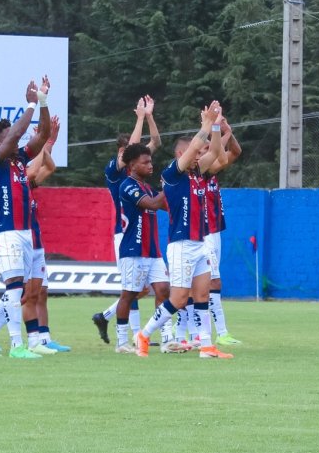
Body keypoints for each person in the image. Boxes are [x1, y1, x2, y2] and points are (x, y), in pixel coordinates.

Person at [133, 102, 233, 359]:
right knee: (178, 300)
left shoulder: (198, 173)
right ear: (183, 155)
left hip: (199, 243)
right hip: (181, 245)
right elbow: (193, 152)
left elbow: (218, 154)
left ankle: (207, 346)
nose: (200, 157)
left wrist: (215, 128)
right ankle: (144, 335)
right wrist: (205, 125)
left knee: (202, 294)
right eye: (196, 154)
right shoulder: (172, 174)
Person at [0, 77, 53, 359]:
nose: (14, 137)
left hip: (25, 232)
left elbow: (42, 135)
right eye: (7, 135)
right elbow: (18, 134)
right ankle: (17, 346)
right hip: (5, 231)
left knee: (18, 291)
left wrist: (42, 101)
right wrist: (30, 103)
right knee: (16, 289)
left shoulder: (19, 160)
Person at [92, 96, 161, 344]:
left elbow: (154, 142)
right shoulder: (114, 172)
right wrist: (140, 116)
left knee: (140, 288)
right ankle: (131, 335)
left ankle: (109, 318)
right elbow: (133, 146)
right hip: (125, 233)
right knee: (133, 289)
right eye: (126, 151)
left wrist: (149, 116)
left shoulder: (139, 165)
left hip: (145, 229)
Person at [111, 142, 175, 353]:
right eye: (145, 162)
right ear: (132, 165)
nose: (150, 165)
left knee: (164, 290)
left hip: (153, 250)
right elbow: (153, 204)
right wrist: (170, 184)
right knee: (129, 295)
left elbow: (165, 205)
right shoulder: (127, 185)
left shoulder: (148, 187)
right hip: (133, 250)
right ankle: (121, 342)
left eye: (151, 161)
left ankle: (167, 339)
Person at [25, 116, 71, 353]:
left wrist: (49, 141)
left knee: (41, 292)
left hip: (36, 243)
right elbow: (37, 165)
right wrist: (45, 142)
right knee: (23, 295)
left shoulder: (31, 184)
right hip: (21, 243)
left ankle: (44, 337)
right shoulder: (20, 179)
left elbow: (48, 165)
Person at [202, 116, 243, 346]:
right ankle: (221, 332)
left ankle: (185, 331)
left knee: (203, 284)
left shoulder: (212, 174)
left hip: (215, 232)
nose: (212, 152)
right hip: (203, 234)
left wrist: (227, 129)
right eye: (206, 149)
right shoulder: (200, 173)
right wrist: (216, 127)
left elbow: (236, 151)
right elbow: (220, 150)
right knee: (212, 282)